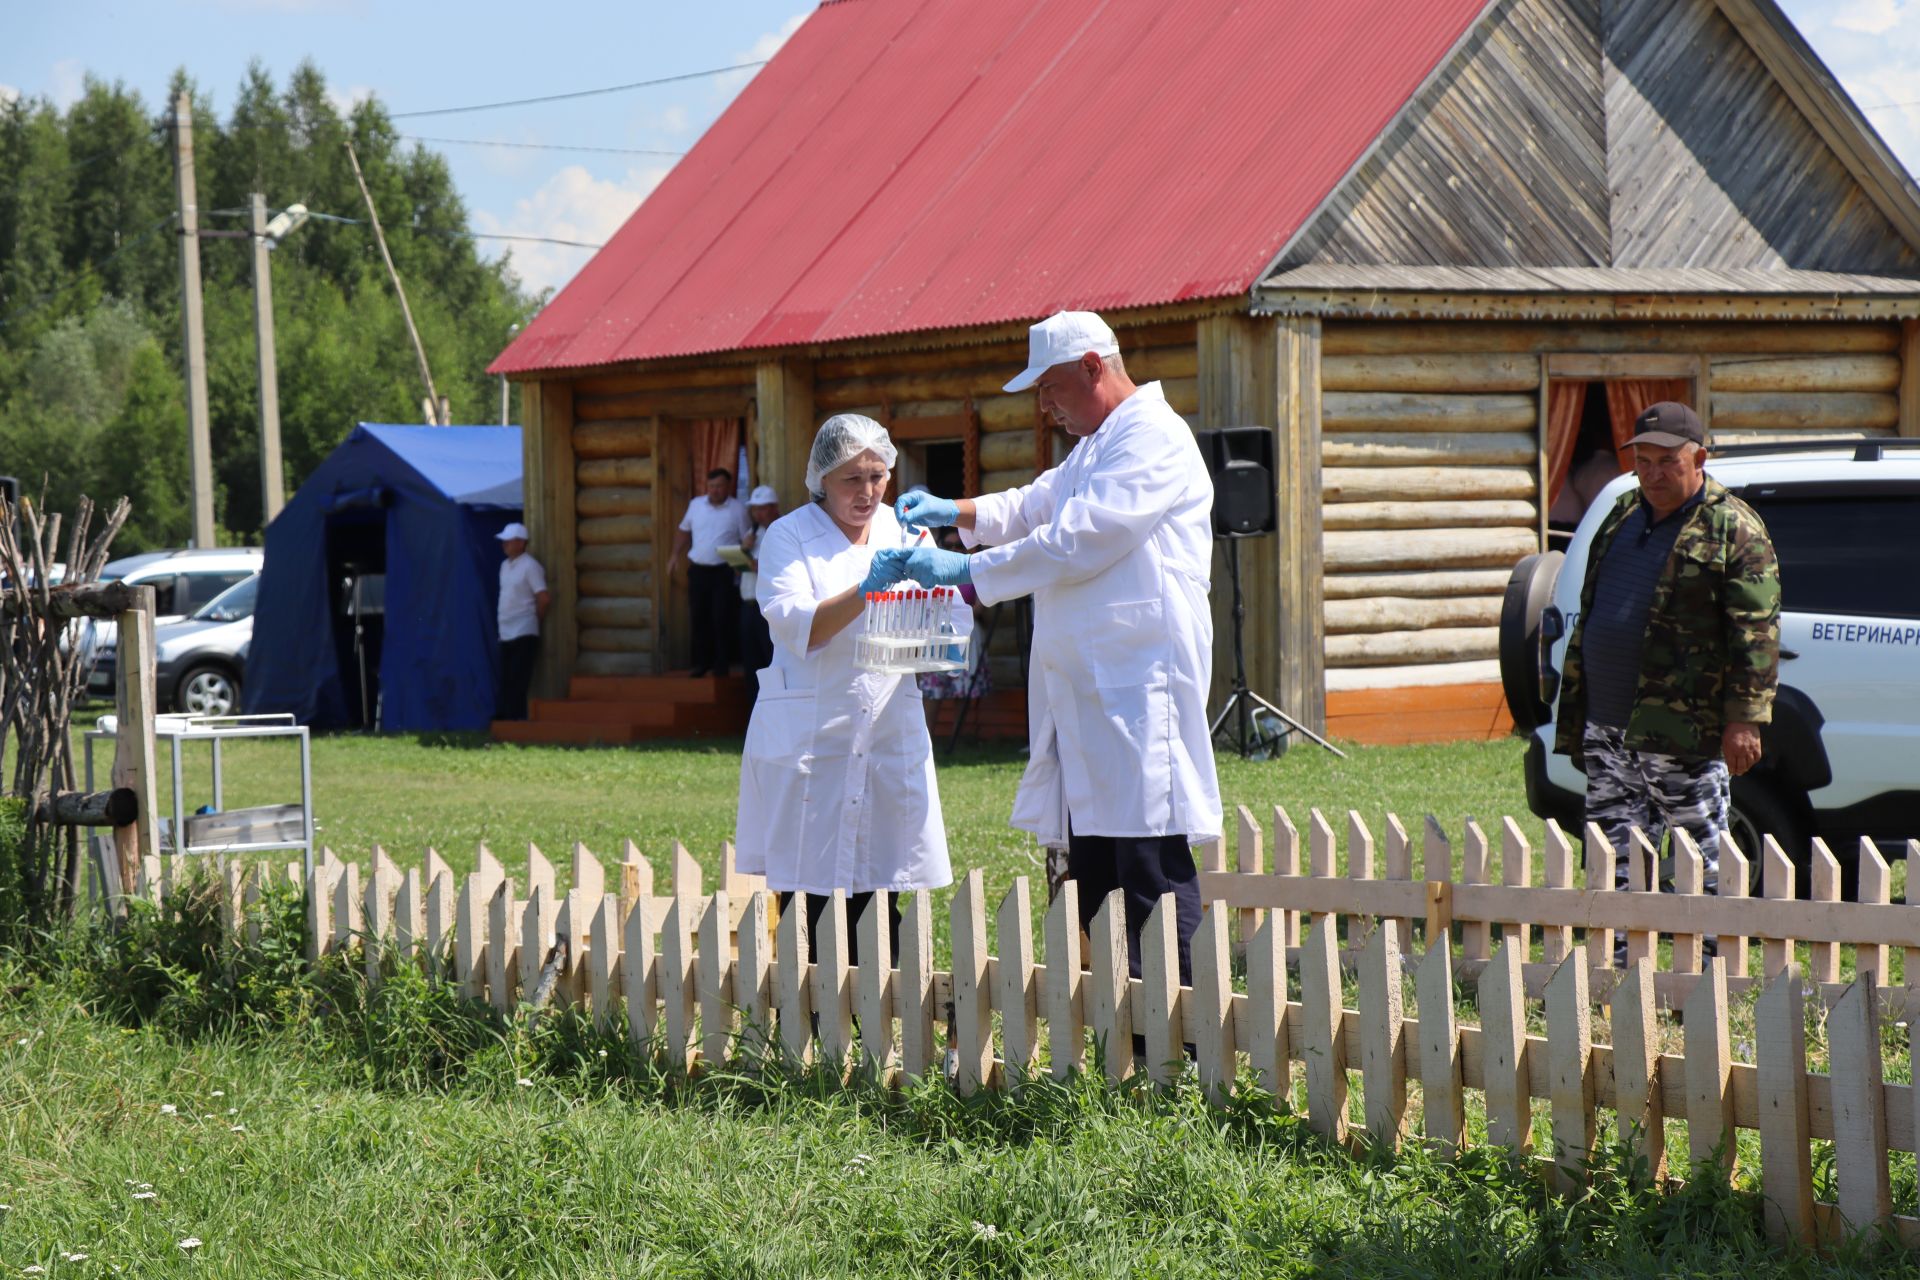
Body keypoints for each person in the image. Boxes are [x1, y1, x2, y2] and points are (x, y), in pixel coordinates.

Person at [892, 310, 1222, 989]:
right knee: (1098, 859)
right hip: (1093, 690)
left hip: (1139, 685)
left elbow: (1079, 536)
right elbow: (1033, 503)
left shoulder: (1152, 436)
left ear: (1093, 368)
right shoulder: (1098, 446)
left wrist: (969, 574)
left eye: (1049, 387)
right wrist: (954, 511)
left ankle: (1182, 1048)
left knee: (1150, 862)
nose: (1044, 405)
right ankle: (1125, 1035)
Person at [735, 414, 970, 965]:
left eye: (878, 475)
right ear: (821, 479)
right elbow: (799, 626)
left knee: (882, 884)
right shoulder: (788, 536)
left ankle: (883, 1027)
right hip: (813, 732)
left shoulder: (906, 530)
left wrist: (944, 602)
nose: (867, 492)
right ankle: (811, 1028)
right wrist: (867, 590)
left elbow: (949, 623)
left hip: (888, 725)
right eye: (851, 479)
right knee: (807, 889)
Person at [1554, 401, 1780, 905]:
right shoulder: (1623, 513)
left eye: (1667, 462)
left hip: (1684, 734)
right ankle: (1617, 972)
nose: (1653, 474)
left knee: (1701, 863)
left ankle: (1710, 974)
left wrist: (1745, 720)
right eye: (1644, 461)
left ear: (1698, 458)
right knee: (1613, 865)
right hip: (1608, 728)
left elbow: (1756, 631)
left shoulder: (1732, 527)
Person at [668, 468, 752, 677]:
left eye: (719, 486)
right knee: (699, 617)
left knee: (721, 618)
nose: (715, 490)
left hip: (724, 571)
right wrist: (674, 556)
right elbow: (683, 530)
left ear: (728, 486)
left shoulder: (738, 509)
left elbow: (747, 539)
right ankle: (701, 663)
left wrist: (743, 565)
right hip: (698, 570)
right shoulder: (696, 505)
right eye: (712, 486)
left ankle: (721, 664)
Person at [494, 522, 549, 721]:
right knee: (505, 676)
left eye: (509, 541)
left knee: (518, 676)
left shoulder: (530, 566)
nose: (505, 545)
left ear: (521, 543)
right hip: (506, 629)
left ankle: (514, 718)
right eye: (504, 541)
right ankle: (503, 715)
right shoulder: (504, 566)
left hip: (524, 628)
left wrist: (535, 619)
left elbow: (543, 597)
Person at [738, 484, 781, 694]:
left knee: (769, 658)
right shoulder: (751, 533)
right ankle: (752, 710)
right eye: (755, 509)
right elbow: (739, 572)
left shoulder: (782, 531)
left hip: (769, 607)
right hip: (748, 603)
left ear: (774, 508)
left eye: (762, 508)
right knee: (751, 660)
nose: (758, 513)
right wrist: (743, 550)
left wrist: (760, 566)